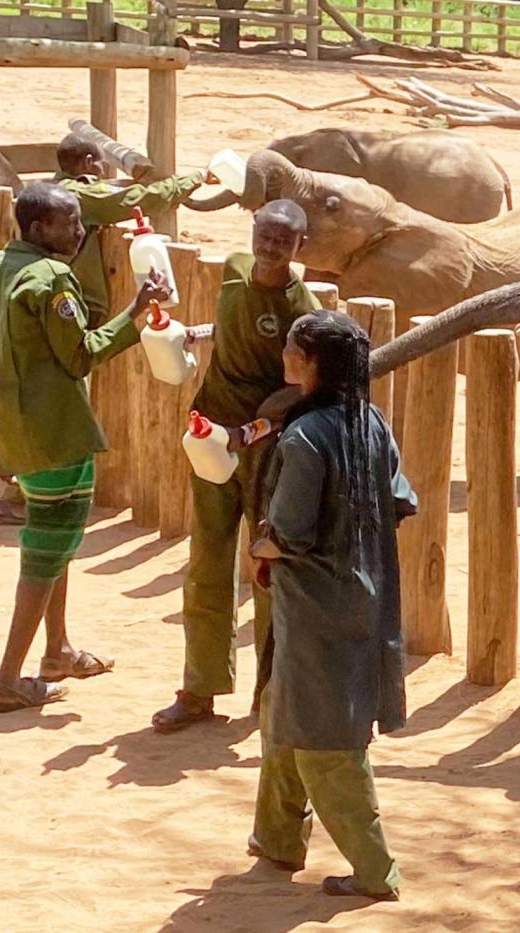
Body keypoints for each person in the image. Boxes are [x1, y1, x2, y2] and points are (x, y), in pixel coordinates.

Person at [0, 181, 170, 712]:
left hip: (7, 428)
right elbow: (80, 356)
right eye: (70, 222)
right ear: (38, 229)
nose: (80, 231)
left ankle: (57, 651)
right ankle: (8, 681)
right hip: (54, 433)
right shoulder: (51, 279)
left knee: (53, 543)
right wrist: (137, 311)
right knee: (45, 551)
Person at [246, 311, 415, 902]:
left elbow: (289, 533)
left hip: (314, 607)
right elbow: (399, 500)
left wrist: (261, 548)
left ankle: (374, 872)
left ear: (312, 362)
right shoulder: (371, 422)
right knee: (282, 712)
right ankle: (277, 838)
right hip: (363, 590)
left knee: (326, 741)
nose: (285, 353)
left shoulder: (303, 437)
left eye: (294, 346)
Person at [151, 199, 320, 733]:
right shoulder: (232, 270)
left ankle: (271, 695)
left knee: (268, 569)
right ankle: (199, 688)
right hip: (210, 441)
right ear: (252, 232)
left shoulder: (303, 310)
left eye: (283, 241)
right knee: (206, 562)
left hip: (266, 452)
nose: (270, 248)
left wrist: (259, 422)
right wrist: (188, 336)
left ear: (301, 246)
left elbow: (308, 386)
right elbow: (228, 329)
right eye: (264, 236)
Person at [0, 134, 214, 524]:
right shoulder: (76, 198)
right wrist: (195, 178)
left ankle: (26, 492)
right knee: (58, 407)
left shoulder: (52, 195)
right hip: (67, 315)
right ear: (89, 163)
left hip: (48, 315)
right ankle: (23, 496)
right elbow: (138, 200)